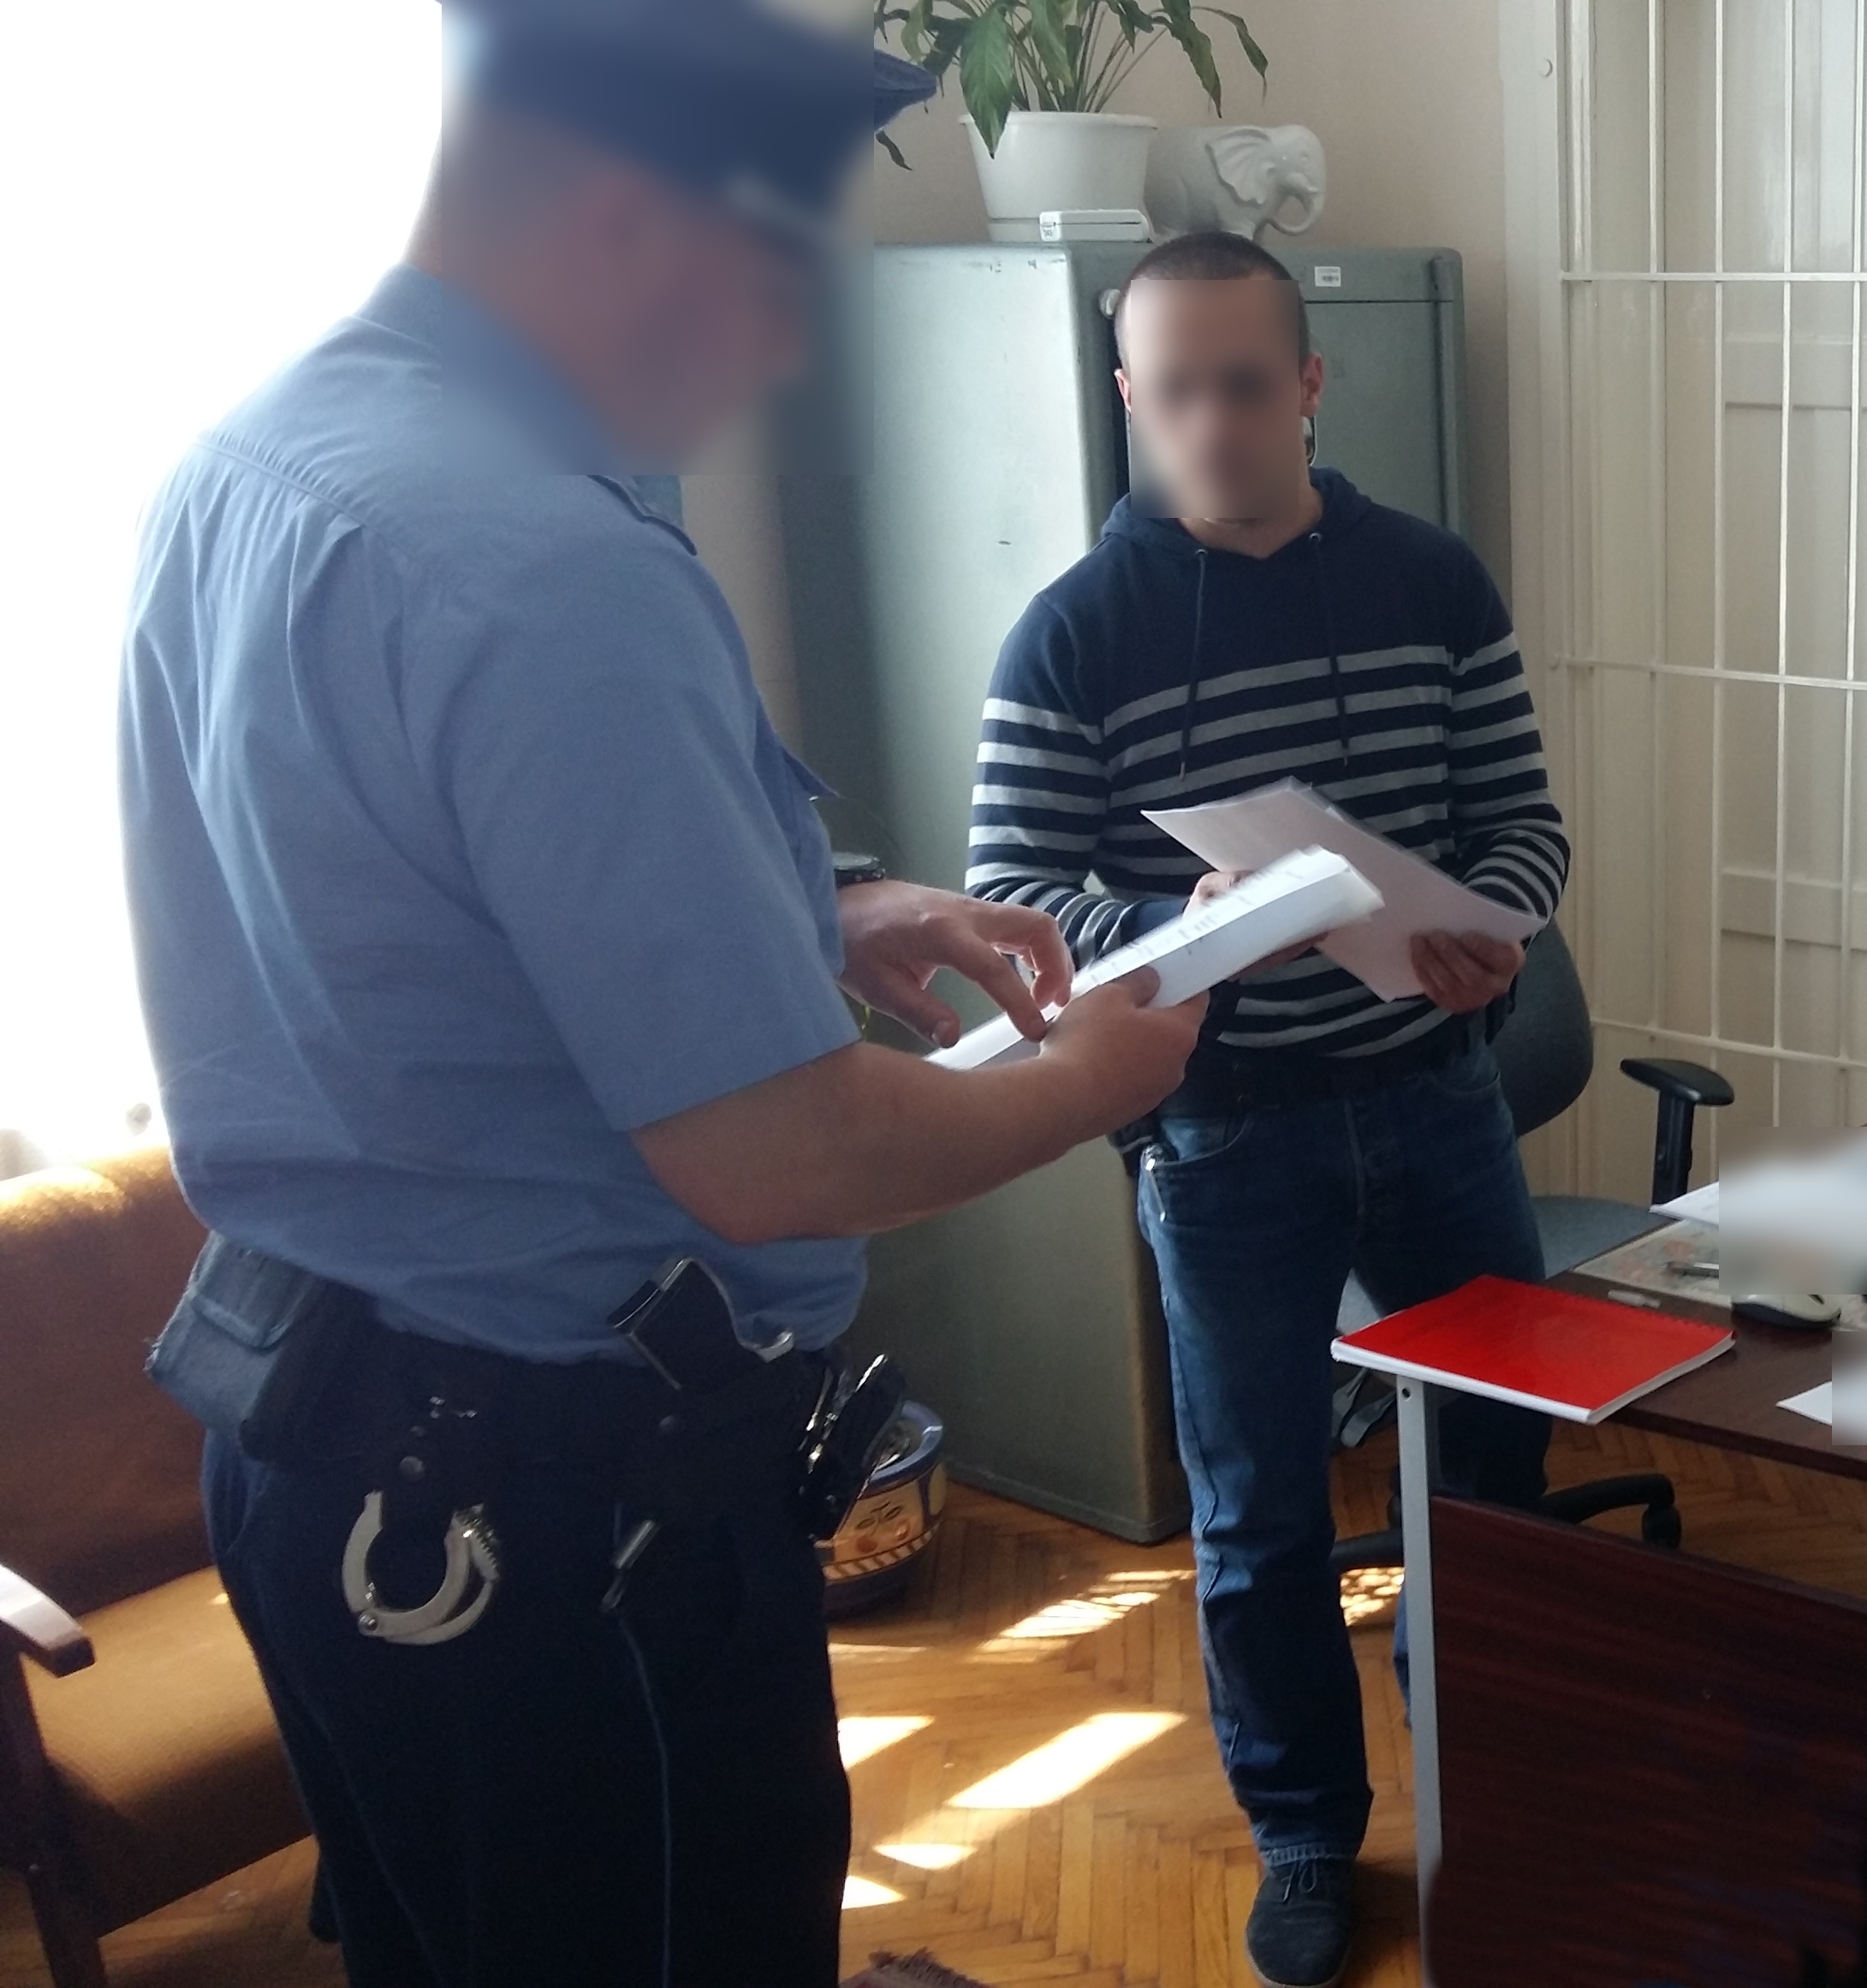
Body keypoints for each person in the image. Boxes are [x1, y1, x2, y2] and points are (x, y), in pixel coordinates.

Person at [116, 4, 1212, 1981]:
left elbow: (407, 893)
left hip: (313, 1441)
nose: (776, 348)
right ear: (623, 219)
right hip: (549, 1513)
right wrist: (1087, 1078)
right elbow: (776, 1152)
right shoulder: (550, 570)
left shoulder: (257, 456)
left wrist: (823, 905)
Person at [962, 229, 1570, 1985]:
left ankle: (1487, 1791)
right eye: (1173, 393)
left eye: (1244, 385)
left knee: (1493, 1474)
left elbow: (1522, 820)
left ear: (1308, 384)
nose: (1211, 426)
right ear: (1130, 398)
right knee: (1256, 1517)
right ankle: (1306, 1834)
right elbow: (1013, 900)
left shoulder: (1430, 579)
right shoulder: (1073, 633)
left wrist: (1493, 923)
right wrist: (1189, 925)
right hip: (1224, 1132)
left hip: (1436, 1095)